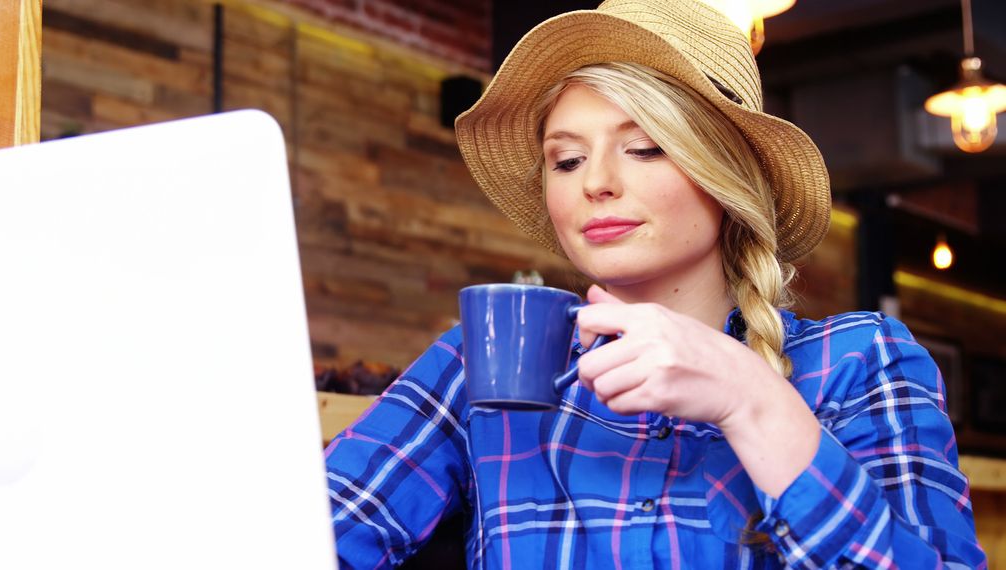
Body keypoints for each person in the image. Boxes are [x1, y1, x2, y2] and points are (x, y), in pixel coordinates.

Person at [323, 0, 987, 567]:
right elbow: (311, 533)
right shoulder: (485, 362)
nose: (595, 182)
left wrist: (752, 402)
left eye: (644, 148)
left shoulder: (857, 363)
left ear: (727, 176)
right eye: (567, 159)